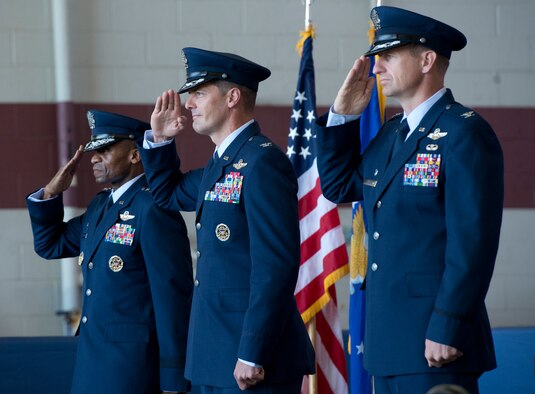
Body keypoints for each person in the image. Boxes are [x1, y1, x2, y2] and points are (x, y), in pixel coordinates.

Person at [315, 6, 503, 394]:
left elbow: (473, 245)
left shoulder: (464, 134)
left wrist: (449, 324)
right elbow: (337, 186)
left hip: (435, 341)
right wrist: (341, 118)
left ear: (427, 59)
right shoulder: (389, 136)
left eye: (388, 55)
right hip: (387, 343)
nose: (376, 66)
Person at [138, 47, 315, 394]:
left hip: (253, 359)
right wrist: (159, 141)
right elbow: (168, 194)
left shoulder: (262, 163)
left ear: (233, 96)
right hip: (213, 353)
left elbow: (275, 266)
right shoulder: (220, 166)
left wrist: (253, 350)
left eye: (200, 93)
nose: (189, 104)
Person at [26, 110, 193, 394]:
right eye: (93, 150)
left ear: (135, 155)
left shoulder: (152, 209)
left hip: (132, 367)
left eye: (104, 149)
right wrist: (51, 194)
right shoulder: (100, 207)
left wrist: (173, 378)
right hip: (92, 362)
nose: (93, 157)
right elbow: (49, 244)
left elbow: (172, 297)